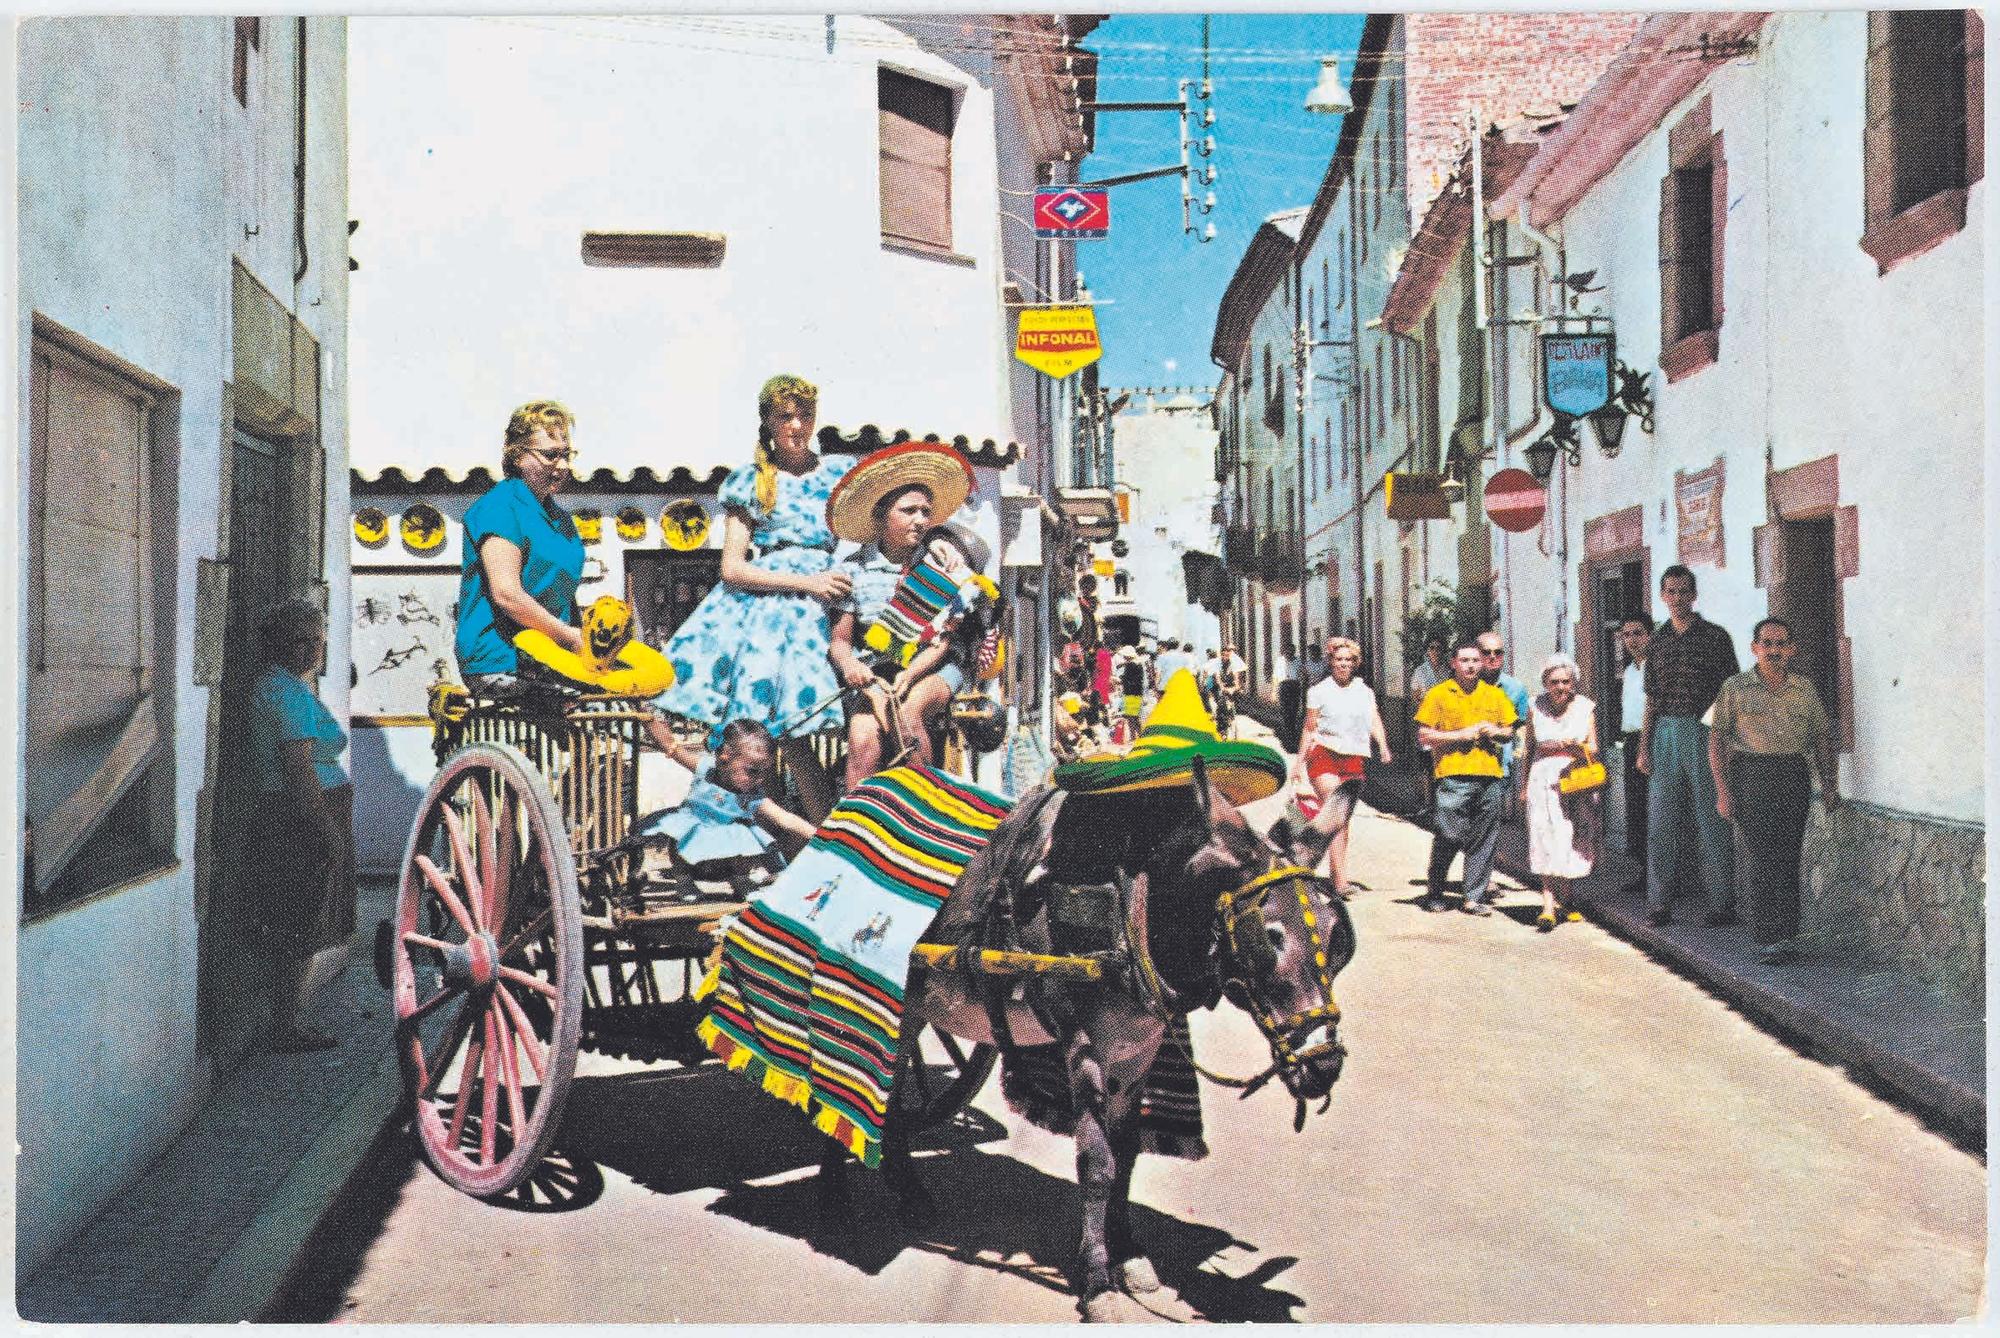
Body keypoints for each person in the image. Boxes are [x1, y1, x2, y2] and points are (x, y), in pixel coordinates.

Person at [653, 375, 854, 821]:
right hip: (767, 607)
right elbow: (733, 567)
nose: (798, 426)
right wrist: (807, 583)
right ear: (767, 422)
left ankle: (819, 836)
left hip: (823, 606)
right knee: (755, 736)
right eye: (786, 417)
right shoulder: (751, 482)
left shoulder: (837, 474)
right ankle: (734, 831)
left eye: (805, 415)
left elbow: (860, 536)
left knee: (798, 732)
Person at [824, 443, 980, 790]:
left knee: (907, 719)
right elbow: (840, 643)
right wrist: (851, 667)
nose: (920, 520)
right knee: (862, 747)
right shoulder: (853, 571)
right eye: (908, 510)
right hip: (873, 673)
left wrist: (908, 676)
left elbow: (942, 642)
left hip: (932, 667)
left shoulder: (941, 567)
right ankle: (855, 836)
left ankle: (926, 818)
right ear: (881, 515)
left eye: (926, 511)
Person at [245, 597, 353, 1053]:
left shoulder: (290, 687)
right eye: (298, 640)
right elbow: (300, 772)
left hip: (302, 812)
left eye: (316, 641)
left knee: (300, 920)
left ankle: (288, 1021)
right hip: (298, 816)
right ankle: (286, 1026)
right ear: (276, 642)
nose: (308, 649)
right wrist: (326, 833)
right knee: (297, 923)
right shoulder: (284, 693)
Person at [1708, 618, 1839, 965]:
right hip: (1751, 773)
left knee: (1788, 854)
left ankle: (1787, 934)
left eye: (1781, 644)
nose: (1774, 650)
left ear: (1792, 649)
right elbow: (1717, 740)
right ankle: (1768, 937)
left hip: (1792, 773)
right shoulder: (1734, 687)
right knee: (1763, 854)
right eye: (1767, 643)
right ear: (1754, 648)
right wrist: (1722, 791)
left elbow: (1822, 739)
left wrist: (1829, 784)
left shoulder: (1804, 689)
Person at [454, 400, 588, 694]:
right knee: (576, 704)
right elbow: (506, 594)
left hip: (550, 658)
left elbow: (563, 596)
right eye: (550, 456)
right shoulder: (500, 508)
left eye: (567, 455)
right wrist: (567, 636)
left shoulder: (561, 519)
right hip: (500, 659)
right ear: (517, 456)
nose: (563, 466)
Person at [1638, 565, 1739, 927]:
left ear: (1694, 595)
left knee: (1711, 818)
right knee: (1661, 820)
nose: (1678, 599)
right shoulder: (1658, 641)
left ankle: (1721, 902)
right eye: (1671, 592)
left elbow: (1728, 695)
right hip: (1665, 732)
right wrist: (1644, 747)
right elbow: (1651, 698)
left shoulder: (1715, 638)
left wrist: (1722, 740)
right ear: (1663, 596)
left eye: (1684, 592)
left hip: (1704, 733)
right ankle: (1659, 903)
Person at [1413, 638, 1521, 916]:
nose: (1471, 666)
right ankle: (1435, 889)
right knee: (1449, 833)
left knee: (1485, 837)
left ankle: (1473, 896)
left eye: (1476, 660)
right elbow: (1424, 735)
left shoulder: (1494, 695)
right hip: (1453, 774)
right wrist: (1459, 735)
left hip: (1489, 774)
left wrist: (1494, 731)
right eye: (1465, 660)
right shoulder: (1439, 694)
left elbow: (1509, 731)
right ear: (1454, 663)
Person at [636, 717, 815, 876]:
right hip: (696, 827)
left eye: (764, 772)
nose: (759, 779)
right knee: (680, 832)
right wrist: (648, 719)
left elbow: (786, 819)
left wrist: (822, 835)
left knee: (748, 839)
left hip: (726, 843)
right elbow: (672, 747)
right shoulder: (705, 769)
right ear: (724, 757)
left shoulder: (751, 797)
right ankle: (684, 879)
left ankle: (739, 879)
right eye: (752, 771)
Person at [1295, 637, 1392, 899]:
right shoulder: (1319, 691)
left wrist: (1382, 745)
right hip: (1324, 755)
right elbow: (1309, 727)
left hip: (1354, 759)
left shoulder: (1365, 692)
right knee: (1337, 817)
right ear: (1331, 662)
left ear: (1356, 663)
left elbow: (1373, 719)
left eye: (1349, 660)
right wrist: (1299, 763)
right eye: (1339, 659)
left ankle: (1330, 871)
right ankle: (1340, 882)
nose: (1344, 664)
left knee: (1343, 822)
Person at [1520, 653, 1601, 932]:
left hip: (1575, 780)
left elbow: (1594, 747)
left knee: (1569, 837)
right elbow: (1528, 748)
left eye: (1566, 681)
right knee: (1544, 837)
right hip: (1542, 779)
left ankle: (1567, 900)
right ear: (1545, 683)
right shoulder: (1534, 706)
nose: (1560, 687)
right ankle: (1547, 906)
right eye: (1554, 682)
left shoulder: (1585, 707)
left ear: (1574, 683)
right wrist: (1522, 787)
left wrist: (1577, 746)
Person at [1616, 613, 1655, 892]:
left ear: (1650, 635)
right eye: (1627, 635)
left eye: (1638, 633)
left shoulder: (1656, 667)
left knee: (1655, 809)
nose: (1632, 640)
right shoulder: (1629, 671)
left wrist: (1645, 747)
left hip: (1651, 742)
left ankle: (1661, 878)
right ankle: (1644, 872)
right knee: (1636, 809)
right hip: (1630, 742)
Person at [1475, 630, 1531, 811]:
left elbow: (1522, 728)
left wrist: (1517, 761)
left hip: (1500, 769)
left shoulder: (1516, 689)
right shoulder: (1464, 685)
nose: (1492, 657)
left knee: (1490, 822)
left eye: (1498, 652)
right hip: (1465, 765)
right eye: (1486, 652)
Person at [1408, 636, 1449, 815]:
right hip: (1426, 721)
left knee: (1441, 762)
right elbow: (1416, 695)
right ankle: (1426, 802)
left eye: (1438, 648)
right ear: (1427, 651)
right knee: (1426, 763)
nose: (1435, 651)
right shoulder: (1420, 671)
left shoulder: (1447, 672)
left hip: (1445, 723)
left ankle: (1441, 803)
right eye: (1432, 648)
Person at [1216, 642, 1248, 736]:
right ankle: (1222, 729)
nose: (1225, 657)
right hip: (1222, 687)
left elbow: (1236, 678)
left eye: (1227, 655)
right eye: (1223, 655)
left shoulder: (1234, 664)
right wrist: (1222, 687)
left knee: (1236, 699)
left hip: (1231, 687)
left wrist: (1236, 687)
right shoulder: (1218, 665)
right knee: (1221, 705)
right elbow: (1218, 678)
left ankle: (1232, 716)